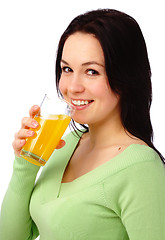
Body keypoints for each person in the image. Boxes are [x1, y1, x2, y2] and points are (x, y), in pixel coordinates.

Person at [0, 8, 165, 240]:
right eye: (67, 69)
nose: (72, 87)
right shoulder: (65, 145)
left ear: (126, 78)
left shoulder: (142, 169)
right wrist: (26, 162)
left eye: (91, 71)